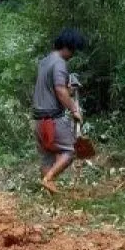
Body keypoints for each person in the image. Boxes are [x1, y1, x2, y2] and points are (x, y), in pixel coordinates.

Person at [31, 28, 87, 194]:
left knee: (48, 155)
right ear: (67, 46)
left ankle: (47, 192)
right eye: (73, 50)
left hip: (39, 120)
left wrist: (69, 90)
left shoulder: (45, 62)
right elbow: (60, 91)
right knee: (69, 151)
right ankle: (48, 179)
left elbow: (55, 89)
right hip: (53, 119)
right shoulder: (59, 63)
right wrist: (74, 109)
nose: (73, 54)